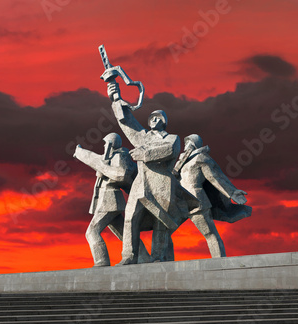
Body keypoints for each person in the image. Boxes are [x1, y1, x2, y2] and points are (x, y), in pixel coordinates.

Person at [106, 82, 199, 265]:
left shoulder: (173, 138)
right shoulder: (144, 137)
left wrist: (144, 154)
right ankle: (129, 256)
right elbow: (127, 123)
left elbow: (169, 151)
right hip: (140, 184)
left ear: (164, 121)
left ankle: (158, 257)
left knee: (160, 223)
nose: (153, 120)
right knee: (131, 218)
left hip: (162, 183)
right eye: (151, 118)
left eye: (157, 117)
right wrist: (115, 98)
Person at [74, 133, 151, 266]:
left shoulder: (119, 156)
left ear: (110, 144)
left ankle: (101, 261)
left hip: (110, 200)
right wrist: (80, 152)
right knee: (123, 234)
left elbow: (122, 175)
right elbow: (93, 159)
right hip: (108, 201)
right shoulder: (110, 158)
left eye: (105, 143)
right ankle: (144, 258)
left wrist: (104, 169)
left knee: (92, 231)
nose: (104, 145)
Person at [173, 134, 252, 257]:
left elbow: (215, 177)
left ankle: (219, 262)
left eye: (189, 142)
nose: (186, 145)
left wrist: (232, 192)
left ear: (195, 144)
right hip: (181, 202)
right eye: (186, 142)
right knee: (165, 230)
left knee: (210, 233)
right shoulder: (181, 162)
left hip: (196, 200)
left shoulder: (201, 158)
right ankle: (160, 258)